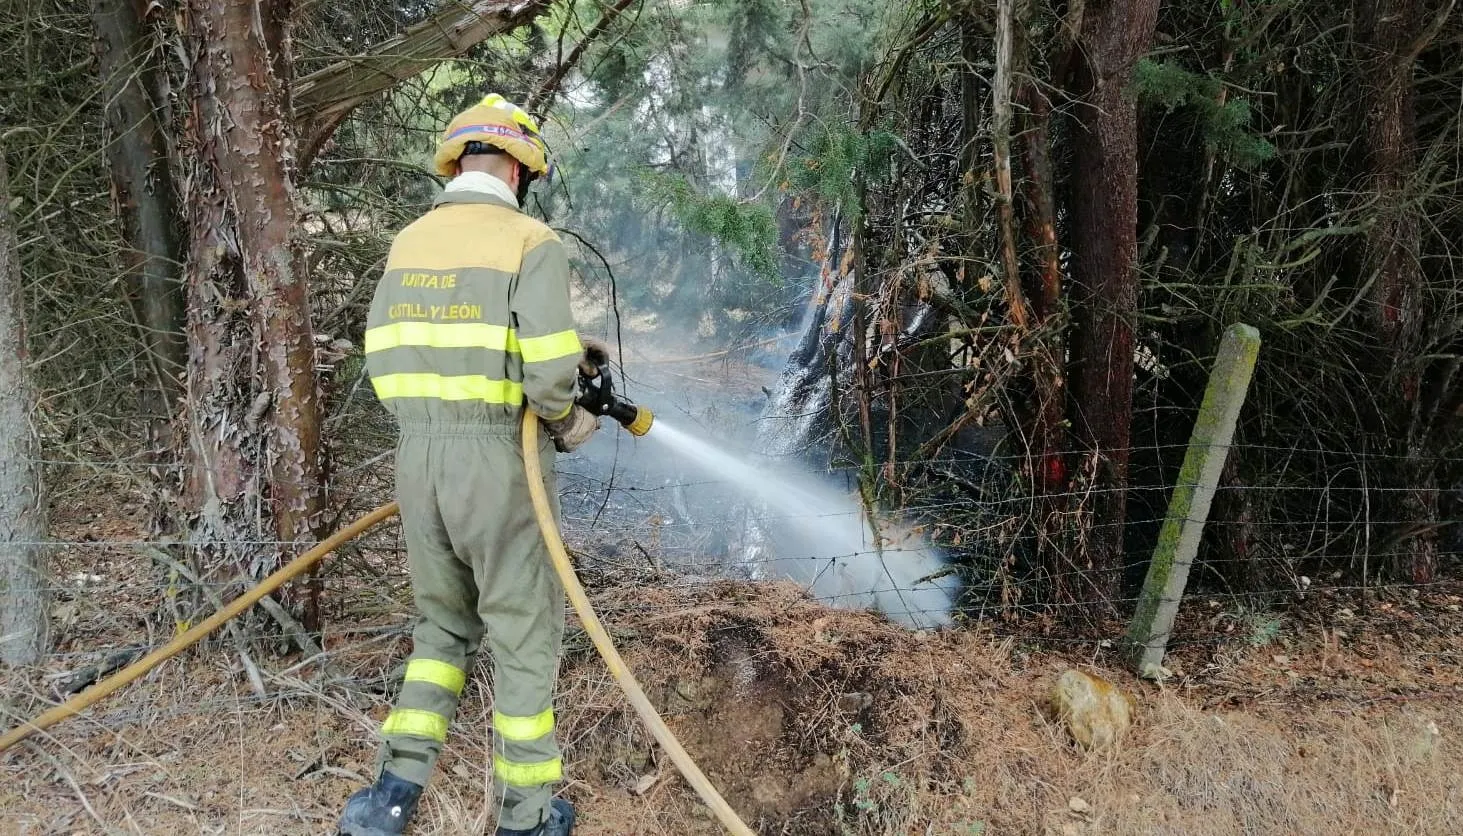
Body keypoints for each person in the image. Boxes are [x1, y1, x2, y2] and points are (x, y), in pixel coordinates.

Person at [337, 93, 600, 836]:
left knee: (440, 627)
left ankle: (391, 794)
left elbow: (383, 355)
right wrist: (569, 421)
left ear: (458, 162)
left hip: (417, 456)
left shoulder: (410, 241)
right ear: (519, 169)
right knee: (521, 629)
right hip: (497, 458)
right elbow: (549, 374)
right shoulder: (528, 239)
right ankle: (525, 812)